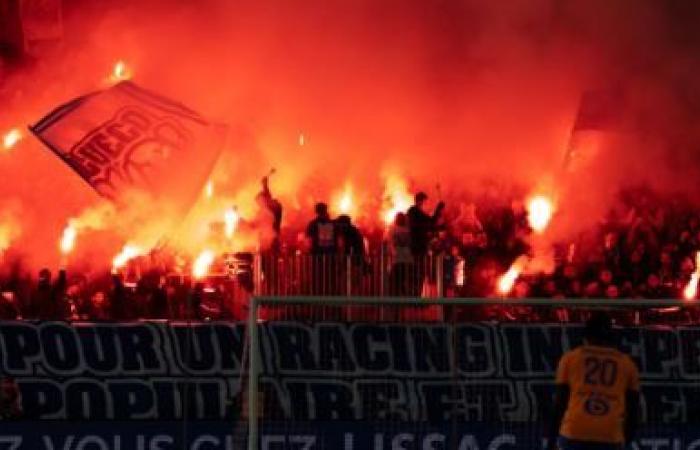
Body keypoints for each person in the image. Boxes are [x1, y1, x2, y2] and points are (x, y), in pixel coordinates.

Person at [548, 312, 640, 450]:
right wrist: (625, 439)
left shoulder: (571, 358)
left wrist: (551, 439)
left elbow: (560, 403)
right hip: (610, 433)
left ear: (586, 335)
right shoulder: (627, 364)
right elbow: (633, 410)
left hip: (574, 430)